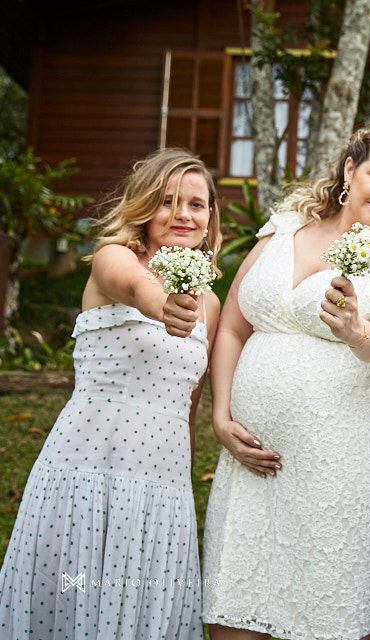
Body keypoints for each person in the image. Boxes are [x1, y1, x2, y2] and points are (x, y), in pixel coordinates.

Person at [201, 117, 370, 640]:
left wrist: (356, 330)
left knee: (331, 612)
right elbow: (233, 325)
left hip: (345, 464)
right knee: (234, 607)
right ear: (349, 168)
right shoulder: (285, 226)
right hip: (252, 461)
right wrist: (221, 416)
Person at [0, 148, 222, 639]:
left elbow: (190, 402)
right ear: (144, 205)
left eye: (196, 204)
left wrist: (184, 476)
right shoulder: (114, 257)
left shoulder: (210, 300)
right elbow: (137, 286)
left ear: (210, 217)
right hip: (88, 467)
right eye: (167, 201)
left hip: (162, 482)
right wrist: (163, 304)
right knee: (75, 598)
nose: (183, 214)